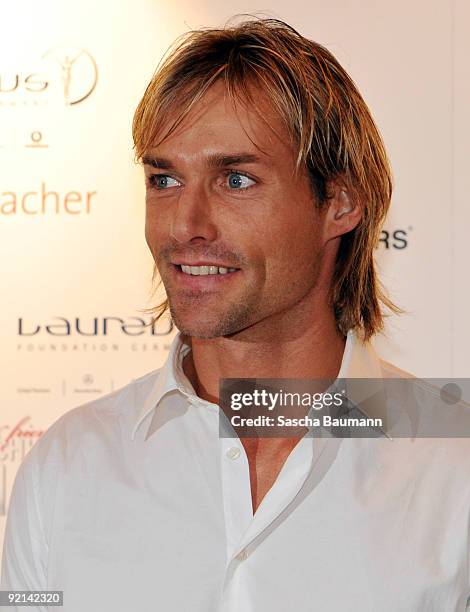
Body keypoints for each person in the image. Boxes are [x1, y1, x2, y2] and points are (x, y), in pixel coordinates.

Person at [2, 17, 470, 612]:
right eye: (164, 178)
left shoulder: (454, 473)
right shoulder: (66, 467)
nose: (185, 225)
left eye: (236, 179)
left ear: (342, 202)